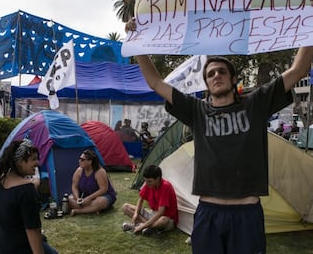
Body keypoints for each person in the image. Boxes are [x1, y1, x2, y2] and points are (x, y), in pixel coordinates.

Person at [127, 16, 313, 254]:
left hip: (247, 214)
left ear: (233, 79)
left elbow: (298, 70)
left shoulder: (256, 103)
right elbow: (155, 82)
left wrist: (310, 24)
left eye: (222, 71)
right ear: (206, 83)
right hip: (208, 212)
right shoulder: (197, 111)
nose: (216, 75)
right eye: (211, 73)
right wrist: (137, 41)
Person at [0, 139, 57, 254]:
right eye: (33, 159)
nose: (38, 163)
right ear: (20, 161)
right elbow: (33, 230)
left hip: (2, 247)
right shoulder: (26, 190)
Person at [121, 165, 178, 236]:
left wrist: (142, 226)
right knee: (125, 207)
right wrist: (136, 214)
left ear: (157, 178)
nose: (147, 183)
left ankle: (140, 226)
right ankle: (148, 227)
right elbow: (140, 200)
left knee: (163, 220)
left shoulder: (166, 186)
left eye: (149, 181)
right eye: (146, 181)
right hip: (153, 214)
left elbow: (161, 212)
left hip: (166, 218)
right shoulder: (149, 184)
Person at [68, 149, 117, 216]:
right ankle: (93, 209)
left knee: (100, 201)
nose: (79, 161)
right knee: (69, 199)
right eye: (79, 159)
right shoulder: (79, 171)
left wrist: (89, 198)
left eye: (82, 160)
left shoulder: (99, 172)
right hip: (85, 197)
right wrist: (77, 198)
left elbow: (103, 189)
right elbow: (74, 186)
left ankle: (79, 211)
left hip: (102, 196)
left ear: (89, 162)